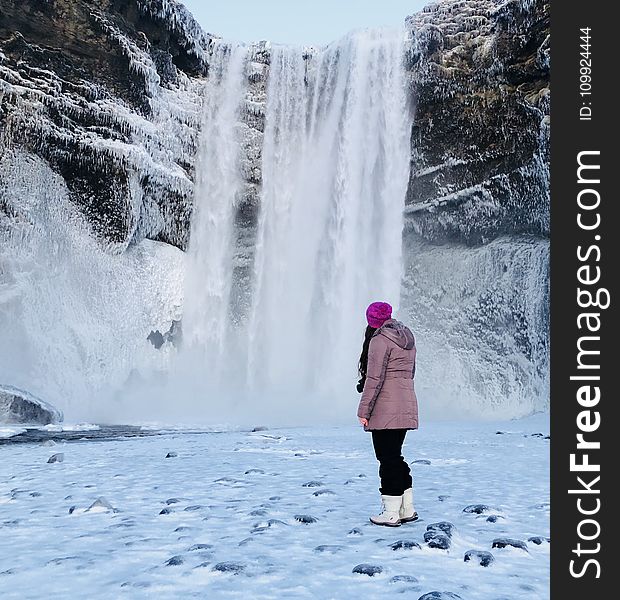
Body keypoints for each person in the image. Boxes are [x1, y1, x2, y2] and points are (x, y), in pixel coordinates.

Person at [356, 301, 419, 527]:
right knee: (396, 456)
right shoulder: (406, 337)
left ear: (372, 321)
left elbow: (375, 380)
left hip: (385, 408)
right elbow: (409, 373)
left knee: (387, 458)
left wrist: (364, 411)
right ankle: (406, 509)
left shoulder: (379, 341)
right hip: (406, 405)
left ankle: (391, 513)